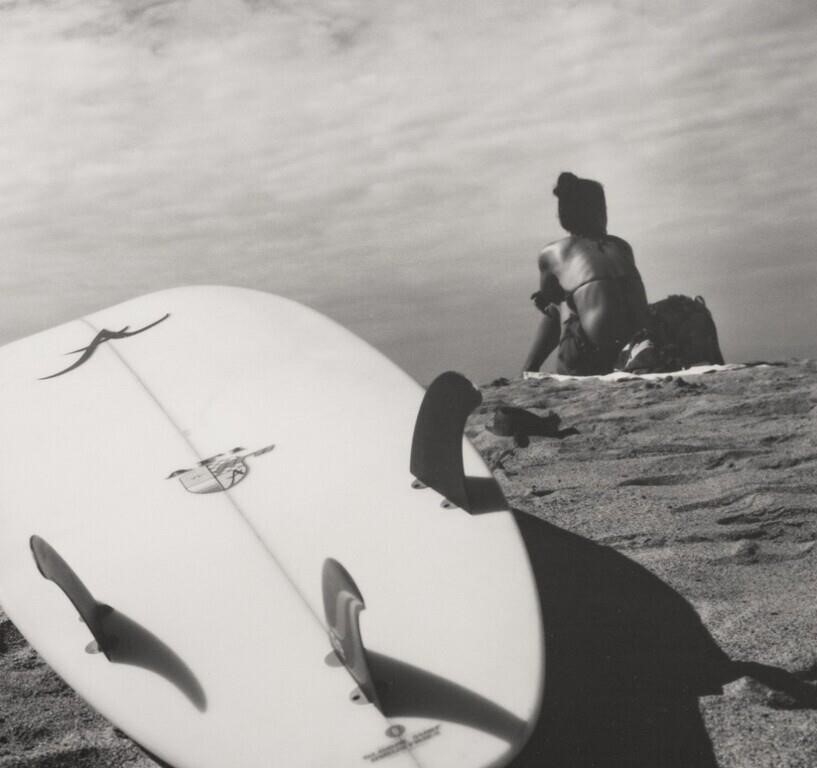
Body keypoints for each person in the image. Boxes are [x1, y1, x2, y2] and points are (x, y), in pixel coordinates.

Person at [522, 172, 649, 375]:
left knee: (558, 303)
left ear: (564, 216)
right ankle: (634, 353)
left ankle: (529, 369)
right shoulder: (622, 246)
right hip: (641, 343)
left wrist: (547, 298)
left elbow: (551, 302)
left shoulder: (553, 253)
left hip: (597, 356)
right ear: (600, 212)